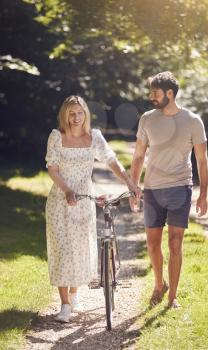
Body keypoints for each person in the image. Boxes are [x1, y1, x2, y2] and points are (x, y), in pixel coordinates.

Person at [45, 95, 140, 322]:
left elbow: (111, 160)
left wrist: (129, 182)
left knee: (79, 248)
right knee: (61, 250)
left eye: (80, 113)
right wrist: (67, 190)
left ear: (85, 114)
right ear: (64, 115)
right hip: (60, 199)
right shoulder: (57, 137)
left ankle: (75, 292)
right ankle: (65, 304)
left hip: (84, 201)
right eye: (71, 113)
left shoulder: (94, 137)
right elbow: (53, 168)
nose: (76, 118)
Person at [130, 71, 208, 308]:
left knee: (175, 243)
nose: (151, 96)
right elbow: (138, 155)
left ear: (170, 93)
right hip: (153, 189)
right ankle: (158, 285)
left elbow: (202, 160)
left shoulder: (193, 121)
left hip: (179, 188)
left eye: (155, 92)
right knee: (153, 244)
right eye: (151, 92)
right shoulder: (147, 119)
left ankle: (172, 297)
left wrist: (203, 194)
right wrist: (134, 186)